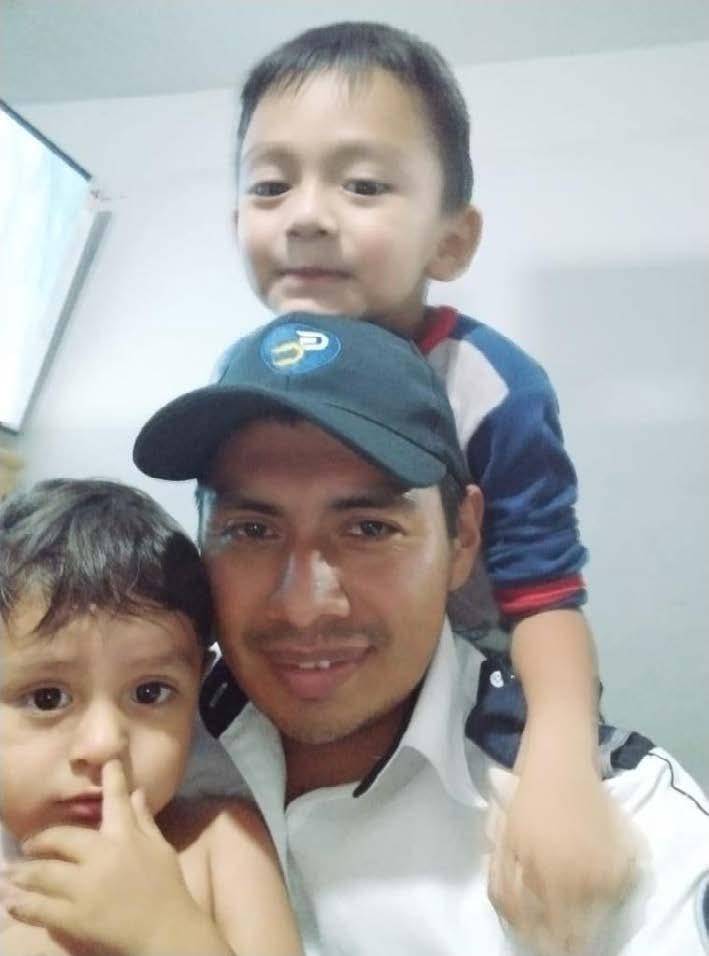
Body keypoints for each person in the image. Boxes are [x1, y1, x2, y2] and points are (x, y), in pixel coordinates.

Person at [216, 19, 628, 948]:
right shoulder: (242, 378)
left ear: (451, 239)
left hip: (479, 675)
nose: (306, 215)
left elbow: (546, 597)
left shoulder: (490, 387)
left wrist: (561, 766)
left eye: (362, 184)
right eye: (270, 185)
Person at [134, 312, 709, 956]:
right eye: (252, 531)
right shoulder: (125, 741)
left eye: (369, 529)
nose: (304, 607)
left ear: (463, 537)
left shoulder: (624, 822)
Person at [0, 479, 303, 956]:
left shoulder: (220, 846)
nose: (104, 744)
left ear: (197, 685)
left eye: (149, 692)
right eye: (46, 698)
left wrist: (165, 933)